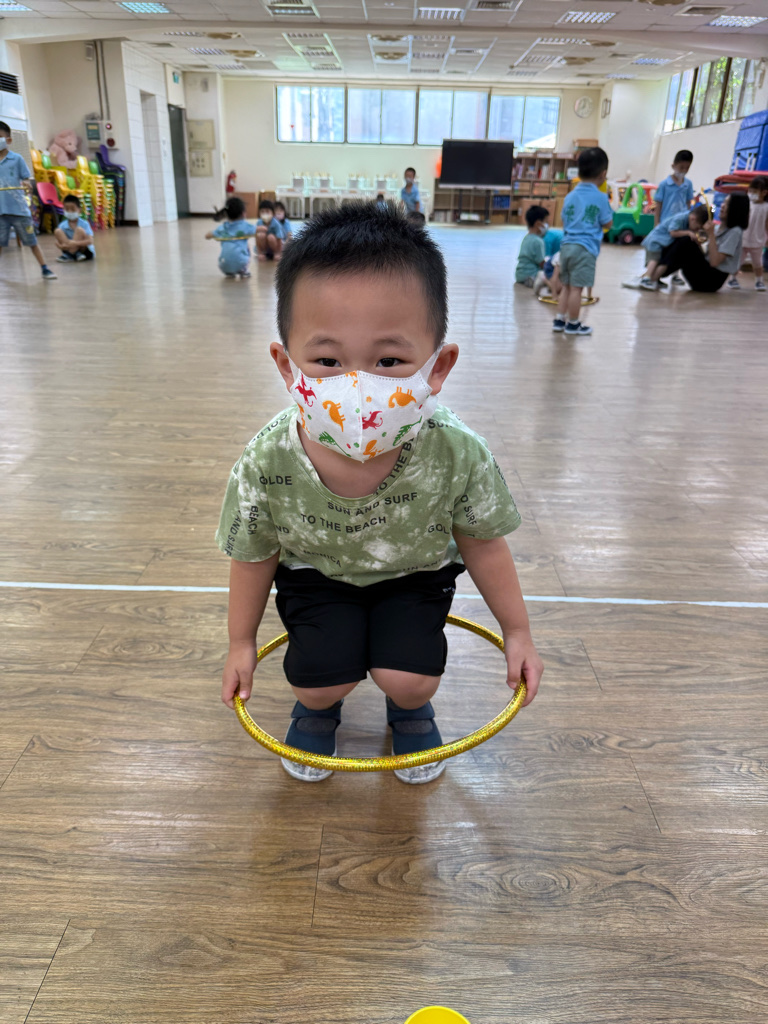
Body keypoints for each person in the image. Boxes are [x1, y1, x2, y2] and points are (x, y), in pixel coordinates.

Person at [216, 201, 543, 785]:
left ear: (437, 366)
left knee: (410, 681)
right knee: (317, 685)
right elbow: (254, 554)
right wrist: (241, 642)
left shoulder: (457, 451)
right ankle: (318, 708)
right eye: (327, 360)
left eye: (389, 359)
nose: (357, 386)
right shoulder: (266, 459)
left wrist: (518, 631)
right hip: (316, 577)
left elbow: (484, 543)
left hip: (415, 577)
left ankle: (409, 708)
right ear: (287, 366)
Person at [554, 147, 613, 336]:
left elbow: (564, 220)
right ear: (603, 174)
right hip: (585, 249)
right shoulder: (601, 198)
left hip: (566, 246)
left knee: (566, 286)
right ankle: (573, 324)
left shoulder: (570, 196)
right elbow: (608, 223)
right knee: (577, 289)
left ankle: (559, 320)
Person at [640, 194, 749, 294]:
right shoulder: (720, 228)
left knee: (686, 241)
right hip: (705, 274)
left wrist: (710, 234)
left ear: (736, 209)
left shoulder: (735, 232)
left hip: (711, 281)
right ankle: (651, 275)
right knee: (681, 239)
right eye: (724, 202)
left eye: (728, 204)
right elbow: (707, 255)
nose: (723, 206)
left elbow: (714, 262)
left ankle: (652, 277)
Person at [0, 121, 56, 279]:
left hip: (19, 210)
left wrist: (26, 184)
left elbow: (26, 179)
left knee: (31, 242)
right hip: (1, 212)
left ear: (8, 140)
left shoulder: (17, 159)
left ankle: (45, 268)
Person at [623, 205, 709, 291]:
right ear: (693, 219)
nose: (696, 230)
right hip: (655, 241)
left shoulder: (687, 220)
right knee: (654, 260)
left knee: (659, 260)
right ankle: (646, 279)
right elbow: (673, 233)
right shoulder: (680, 218)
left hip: (660, 242)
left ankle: (655, 279)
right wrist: (688, 233)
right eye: (697, 228)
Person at [727, 176, 768, 291]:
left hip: (757, 240)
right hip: (743, 239)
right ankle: (732, 279)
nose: (751, 194)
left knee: (758, 263)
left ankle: (759, 281)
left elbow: (767, 224)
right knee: (738, 261)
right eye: (750, 191)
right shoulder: (746, 203)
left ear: (764, 192)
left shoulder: (766, 207)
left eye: (755, 191)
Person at [206, 196, 255, 279]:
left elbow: (208, 235)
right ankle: (243, 270)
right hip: (241, 262)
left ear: (226, 214)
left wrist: (211, 235)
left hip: (223, 265)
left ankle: (229, 271)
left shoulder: (223, 227)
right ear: (243, 213)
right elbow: (258, 230)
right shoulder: (246, 226)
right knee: (247, 246)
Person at [654, 150, 694, 226]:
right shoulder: (664, 184)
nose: (684, 170)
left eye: (687, 168)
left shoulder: (688, 184)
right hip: (666, 223)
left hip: (681, 223)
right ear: (673, 166)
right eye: (681, 167)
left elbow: (688, 203)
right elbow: (658, 205)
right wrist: (656, 223)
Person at [54, 194, 95, 263]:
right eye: (67, 209)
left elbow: (90, 241)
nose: (70, 212)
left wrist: (75, 243)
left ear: (79, 210)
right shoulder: (62, 225)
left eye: (73, 209)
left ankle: (71, 254)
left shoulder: (84, 223)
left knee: (79, 230)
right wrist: (61, 246)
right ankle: (74, 254)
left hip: (84, 251)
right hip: (68, 249)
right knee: (57, 231)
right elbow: (58, 241)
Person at [515, 205, 548, 288]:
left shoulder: (526, 238)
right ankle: (534, 280)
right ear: (538, 223)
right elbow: (541, 263)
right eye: (545, 222)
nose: (546, 225)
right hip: (531, 273)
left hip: (519, 274)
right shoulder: (538, 241)